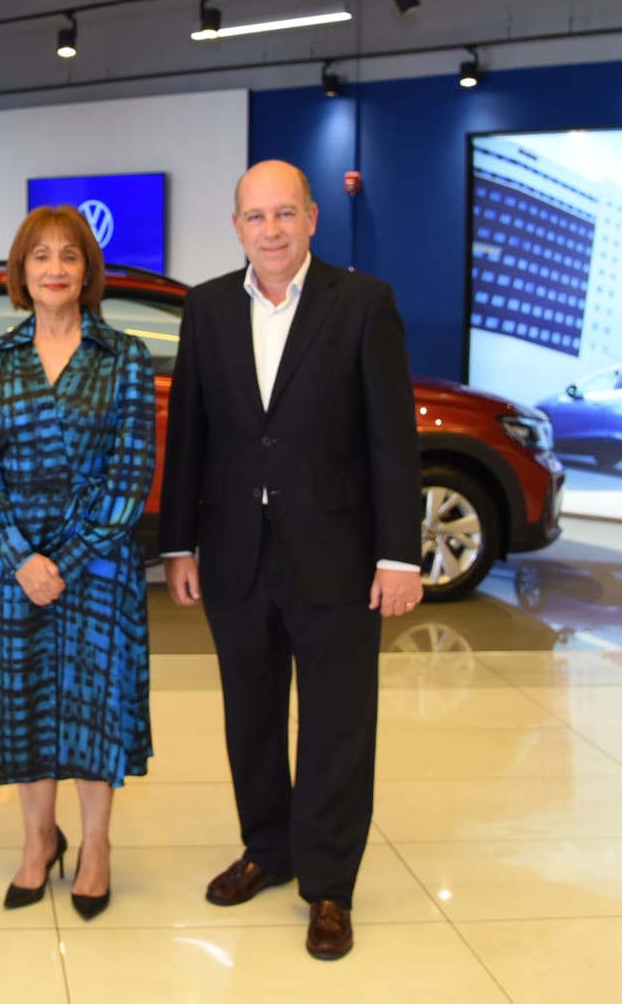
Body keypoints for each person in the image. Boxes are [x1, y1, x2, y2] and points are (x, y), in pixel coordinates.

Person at [158, 159, 422, 962]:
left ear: (311, 218)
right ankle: (268, 849)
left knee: (340, 724)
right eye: (255, 217)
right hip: (236, 553)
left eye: (284, 214)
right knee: (252, 716)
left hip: (338, 556)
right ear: (236, 226)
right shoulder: (205, 307)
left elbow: (391, 439)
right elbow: (192, 434)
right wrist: (178, 543)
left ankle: (329, 885)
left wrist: (398, 556)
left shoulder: (364, 303)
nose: (270, 230)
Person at [0, 205, 156, 922]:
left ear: (87, 270)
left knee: (93, 707)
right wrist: (23, 559)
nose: (54, 269)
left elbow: (131, 477)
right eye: (40, 256)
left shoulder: (124, 355)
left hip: (95, 563)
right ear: (21, 271)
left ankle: (96, 847)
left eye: (68, 256)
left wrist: (62, 560)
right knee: (24, 708)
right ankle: (38, 841)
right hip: (10, 567)